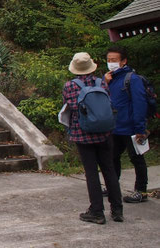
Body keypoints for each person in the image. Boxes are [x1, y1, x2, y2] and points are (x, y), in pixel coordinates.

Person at [62, 52, 123, 224]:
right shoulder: (101, 82)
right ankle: (117, 210)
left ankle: (97, 211)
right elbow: (108, 104)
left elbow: (71, 108)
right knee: (109, 170)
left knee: (91, 173)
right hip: (105, 133)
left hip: (83, 135)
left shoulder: (70, 86)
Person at [104, 46, 149, 204]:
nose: (111, 63)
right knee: (112, 157)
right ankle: (112, 185)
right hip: (115, 127)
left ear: (124, 61)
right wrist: (105, 83)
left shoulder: (132, 79)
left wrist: (140, 128)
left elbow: (140, 104)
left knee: (137, 159)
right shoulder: (110, 79)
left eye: (114, 60)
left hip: (130, 127)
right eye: (109, 60)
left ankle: (141, 191)